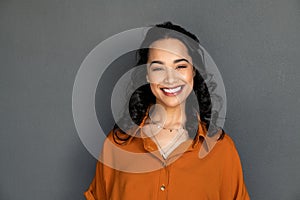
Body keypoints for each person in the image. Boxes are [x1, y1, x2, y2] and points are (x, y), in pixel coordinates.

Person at [84, 22, 250, 200]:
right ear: (147, 74)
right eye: (158, 68)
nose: (170, 79)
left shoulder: (222, 150)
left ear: (193, 71)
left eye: (180, 66)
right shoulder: (116, 146)